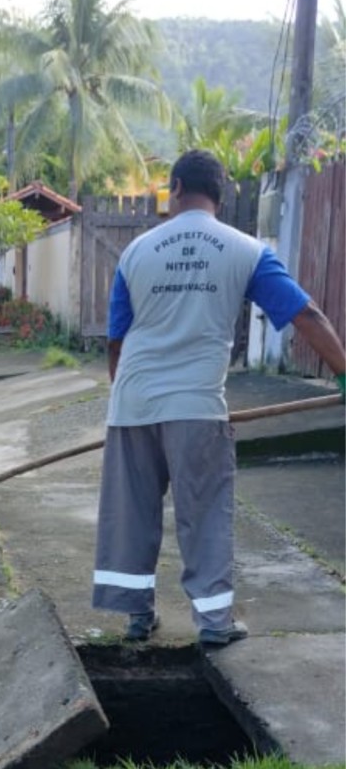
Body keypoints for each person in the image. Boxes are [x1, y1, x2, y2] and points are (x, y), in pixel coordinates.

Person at [92, 148, 346, 647]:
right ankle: (213, 625)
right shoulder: (245, 250)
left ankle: (136, 618)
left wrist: (123, 399)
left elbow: (117, 341)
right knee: (204, 513)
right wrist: (343, 373)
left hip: (134, 401)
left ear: (177, 188)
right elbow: (306, 316)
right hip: (196, 407)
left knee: (132, 514)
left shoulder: (137, 252)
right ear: (221, 197)